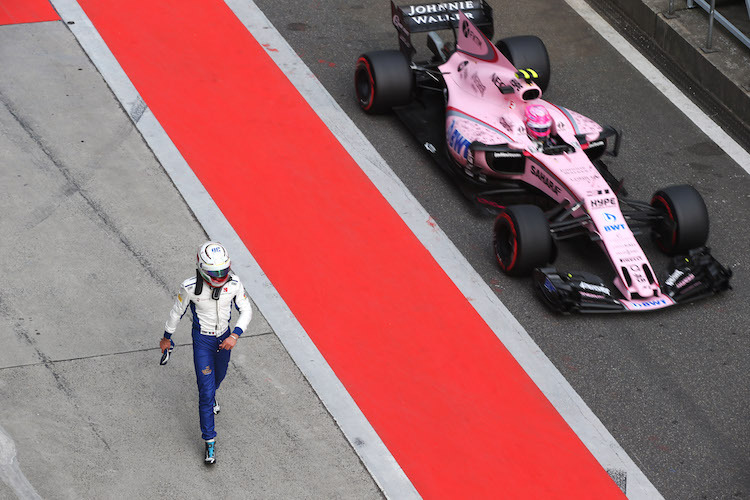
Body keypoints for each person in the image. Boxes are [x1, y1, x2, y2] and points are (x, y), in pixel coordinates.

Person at [160, 241, 252, 465]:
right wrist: (166, 337)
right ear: (202, 268)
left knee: (219, 376)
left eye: (223, 270)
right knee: (206, 392)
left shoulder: (235, 282)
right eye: (215, 272)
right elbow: (176, 312)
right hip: (202, 341)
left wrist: (235, 335)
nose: (220, 276)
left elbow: (246, 310)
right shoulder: (190, 287)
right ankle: (209, 440)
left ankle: (212, 397)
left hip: (225, 338)